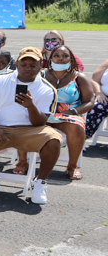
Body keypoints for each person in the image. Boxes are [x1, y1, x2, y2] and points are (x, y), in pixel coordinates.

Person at [0, 47, 60, 205]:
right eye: (24, 64)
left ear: (41, 66)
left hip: (30, 130)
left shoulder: (47, 89)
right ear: (16, 64)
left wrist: (30, 106)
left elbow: (40, 122)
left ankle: (39, 183)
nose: (28, 69)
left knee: (54, 140)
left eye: (33, 65)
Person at [44, 44, 93, 180]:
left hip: (68, 115)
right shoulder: (41, 75)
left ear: (71, 59)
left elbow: (90, 101)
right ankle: (23, 162)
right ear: (50, 59)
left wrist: (73, 111)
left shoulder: (79, 78)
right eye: (56, 56)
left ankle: (72, 166)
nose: (61, 59)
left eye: (65, 56)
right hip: (43, 114)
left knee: (76, 127)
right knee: (23, 120)